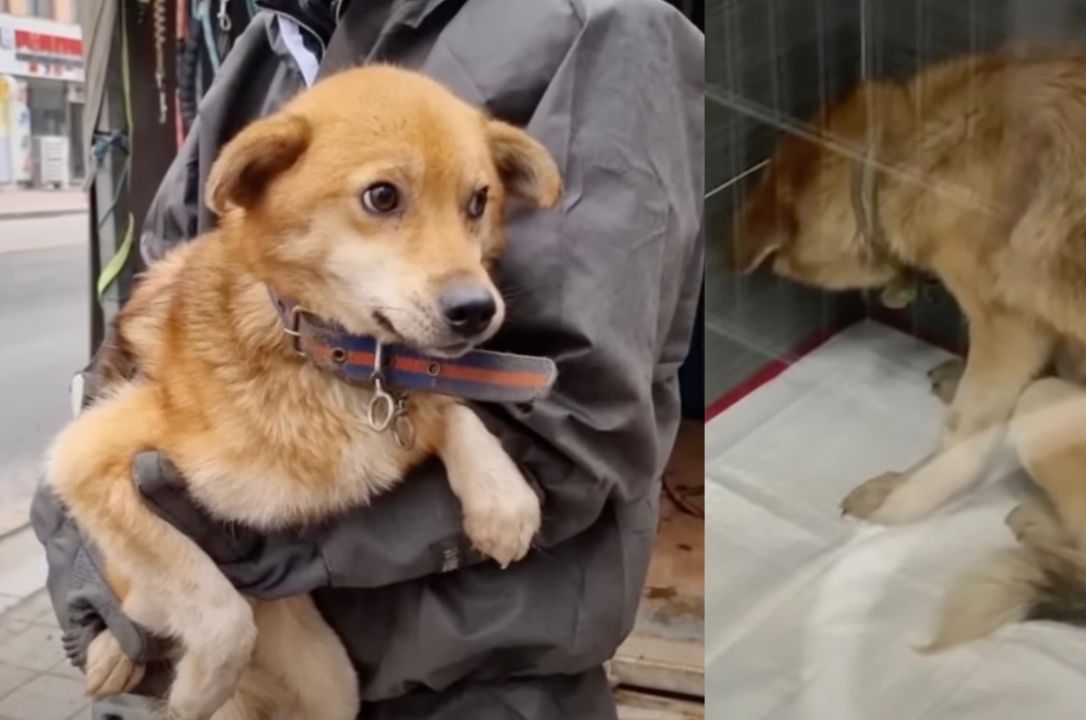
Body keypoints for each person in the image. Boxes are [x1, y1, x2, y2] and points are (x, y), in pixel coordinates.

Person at [30, 1, 704, 718]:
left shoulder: (600, 27)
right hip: (254, 667)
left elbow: (584, 420)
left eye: (476, 207)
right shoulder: (272, 42)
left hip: (466, 688)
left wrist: (250, 546)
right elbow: (144, 332)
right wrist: (104, 575)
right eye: (384, 198)